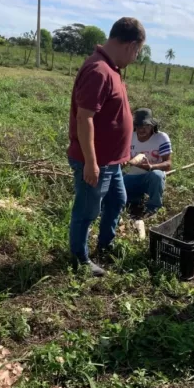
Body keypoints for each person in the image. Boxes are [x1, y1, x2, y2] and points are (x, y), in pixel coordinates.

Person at [67, 17, 146, 277]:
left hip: (111, 162)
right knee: (87, 210)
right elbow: (84, 117)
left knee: (117, 200)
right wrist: (91, 162)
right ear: (131, 45)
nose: (136, 57)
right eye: (138, 52)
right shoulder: (99, 70)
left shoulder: (111, 68)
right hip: (96, 162)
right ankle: (79, 258)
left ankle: (105, 244)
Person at [124, 108, 173, 217]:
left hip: (150, 177)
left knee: (157, 175)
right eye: (139, 126)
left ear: (152, 126)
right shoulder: (129, 136)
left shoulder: (161, 138)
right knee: (116, 185)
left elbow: (168, 164)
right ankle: (134, 199)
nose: (142, 129)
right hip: (131, 177)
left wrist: (151, 166)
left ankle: (153, 208)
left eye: (146, 126)